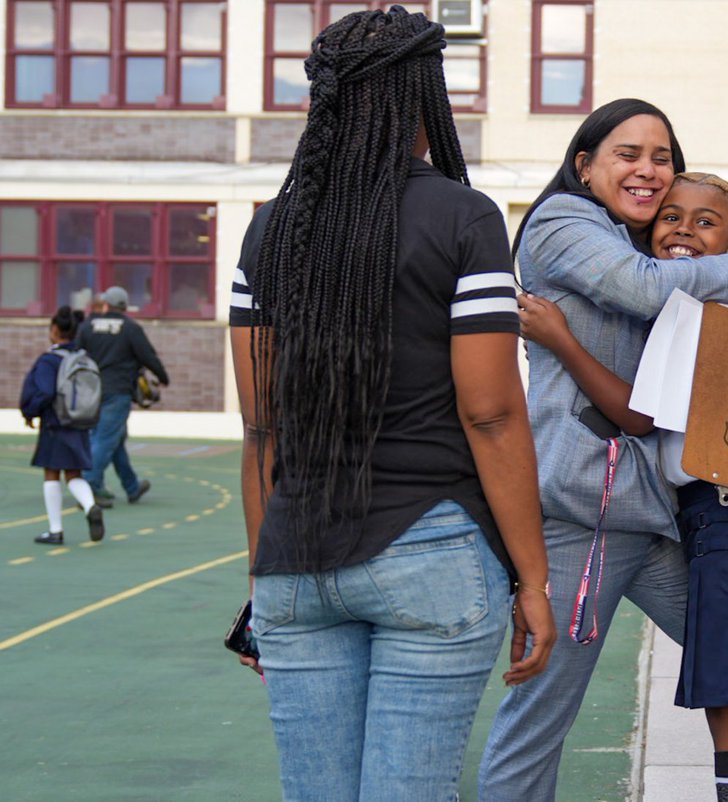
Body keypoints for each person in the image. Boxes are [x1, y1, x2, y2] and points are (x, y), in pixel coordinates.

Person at [228, 9, 554, 800]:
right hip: (431, 550)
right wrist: (534, 581)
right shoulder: (461, 216)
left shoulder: (270, 229)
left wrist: (262, 579)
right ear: (423, 97)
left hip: (297, 560)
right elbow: (493, 415)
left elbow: (261, 428)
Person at [478, 99, 728, 802]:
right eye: (628, 154)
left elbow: (700, 316)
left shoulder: (644, 234)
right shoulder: (564, 222)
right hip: (579, 514)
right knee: (539, 719)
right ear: (585, 164)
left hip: (656, 510)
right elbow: (641, 291)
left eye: (662, 157)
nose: (649, 171)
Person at [20, 306, 105, 545]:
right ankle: (90, 507)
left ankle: (55, 530)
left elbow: (45, 391)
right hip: (78, 421)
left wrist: (31, 411)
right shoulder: (82, 358)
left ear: (55, 330)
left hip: (55, 423)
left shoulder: (49, 360)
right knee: (74, 473)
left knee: (51, 474)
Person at [77, 286, 169, 508]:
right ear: (125, 307)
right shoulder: (130, 328)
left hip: (92, 392)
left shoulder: (87, 326)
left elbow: (77, 354)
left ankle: (132, 486)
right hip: (117, 392)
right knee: (105, 439)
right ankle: (89, 487)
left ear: (106, 304)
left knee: (114, 439)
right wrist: (162, 377)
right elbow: (148, 356)